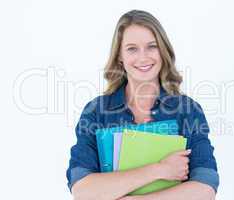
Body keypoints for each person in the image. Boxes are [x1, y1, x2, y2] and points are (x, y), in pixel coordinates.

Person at [66, 9, 219, 200]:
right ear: (119, 56)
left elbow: (205, 188)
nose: (143, 57)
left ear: (163, 51)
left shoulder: (187, 110)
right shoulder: (96, 112)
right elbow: (83, 191)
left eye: (151, 46)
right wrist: (160, 169)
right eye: (132, 48)